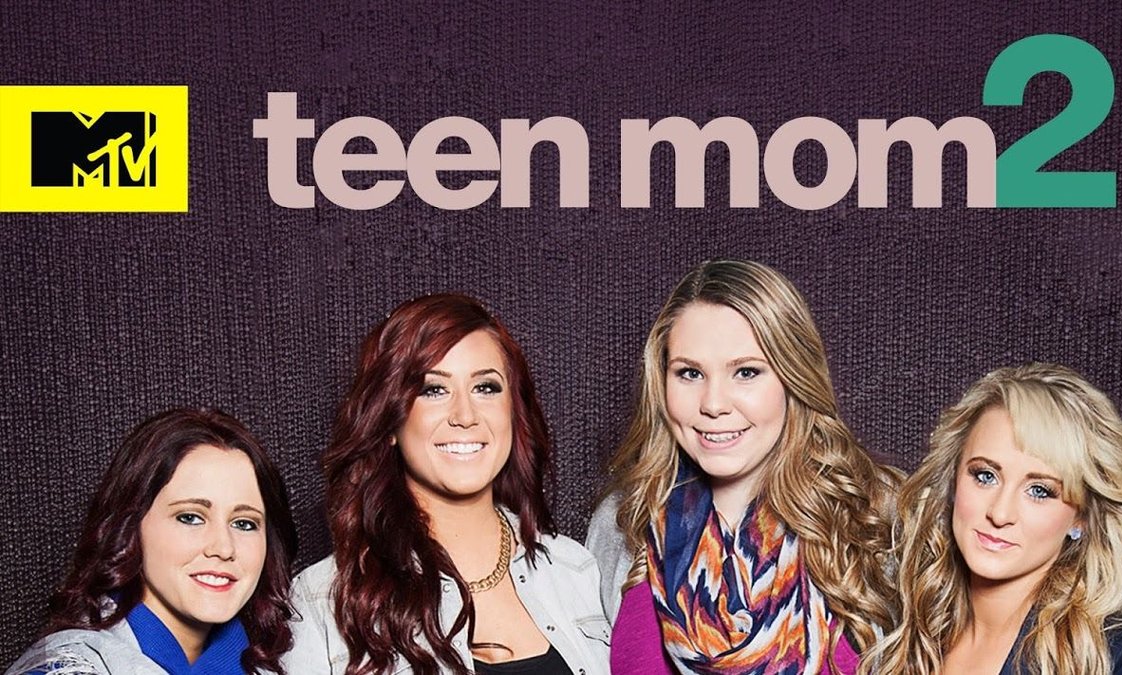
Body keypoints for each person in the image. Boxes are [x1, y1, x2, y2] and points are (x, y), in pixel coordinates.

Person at [587, 260, 899, 674]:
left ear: (793, 377)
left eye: (746, 372)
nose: (714, 404)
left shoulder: (876, 515)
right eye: (690, 373)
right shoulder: (622, 520)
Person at [283, 294, 610, 675]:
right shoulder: (322, 600)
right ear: (390, 421)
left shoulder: (576, 570)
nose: (465, 416)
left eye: (486, 387)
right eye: (433, 390)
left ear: (513, 411)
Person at [867, 363, 1122, 674]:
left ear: (1082, 518)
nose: (1000, 513)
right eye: (985, 476)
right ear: (953, 482)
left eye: (1039, 491)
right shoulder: (900, 639)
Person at [6, 408, 298, 675]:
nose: (223, 548)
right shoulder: (67, 669)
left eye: (244, 523)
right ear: (130, 526)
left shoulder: (279, 661)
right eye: (190, 517)